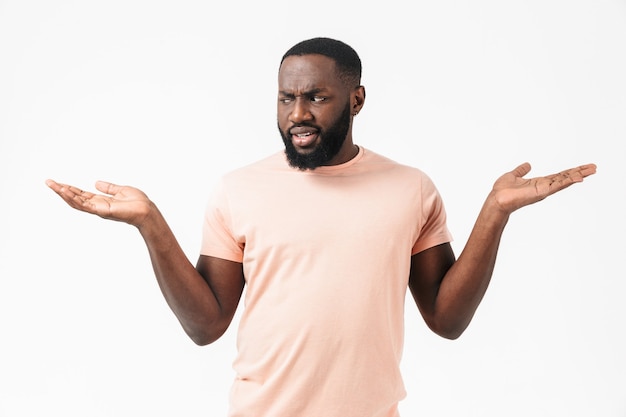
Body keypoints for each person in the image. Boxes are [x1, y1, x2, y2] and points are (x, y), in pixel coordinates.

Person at [46, 37, 596, 417]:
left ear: (356, 99)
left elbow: (447, 319)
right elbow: (206, 324)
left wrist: (494, 215)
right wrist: (150, 224)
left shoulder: (411, 188)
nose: (298, 114)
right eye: (287, 97)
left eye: (316, 97)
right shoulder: (239, 188)